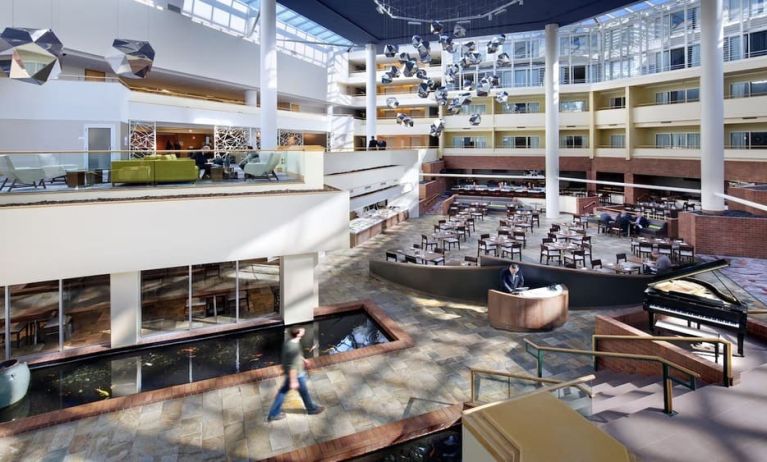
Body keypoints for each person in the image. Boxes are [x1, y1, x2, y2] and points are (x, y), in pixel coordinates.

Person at [267, 327, 325, 421]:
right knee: (304, 392)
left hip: (292, 373)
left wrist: (303, 359)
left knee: (283, 392)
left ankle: (273, 413)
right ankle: (311, 409)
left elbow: (294, 356)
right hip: (297, 374)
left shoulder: (290, 342)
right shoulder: (294, 347)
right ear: (298, 334)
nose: (303, 330)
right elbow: (292, 366)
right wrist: (293, 381)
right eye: (301, 330)